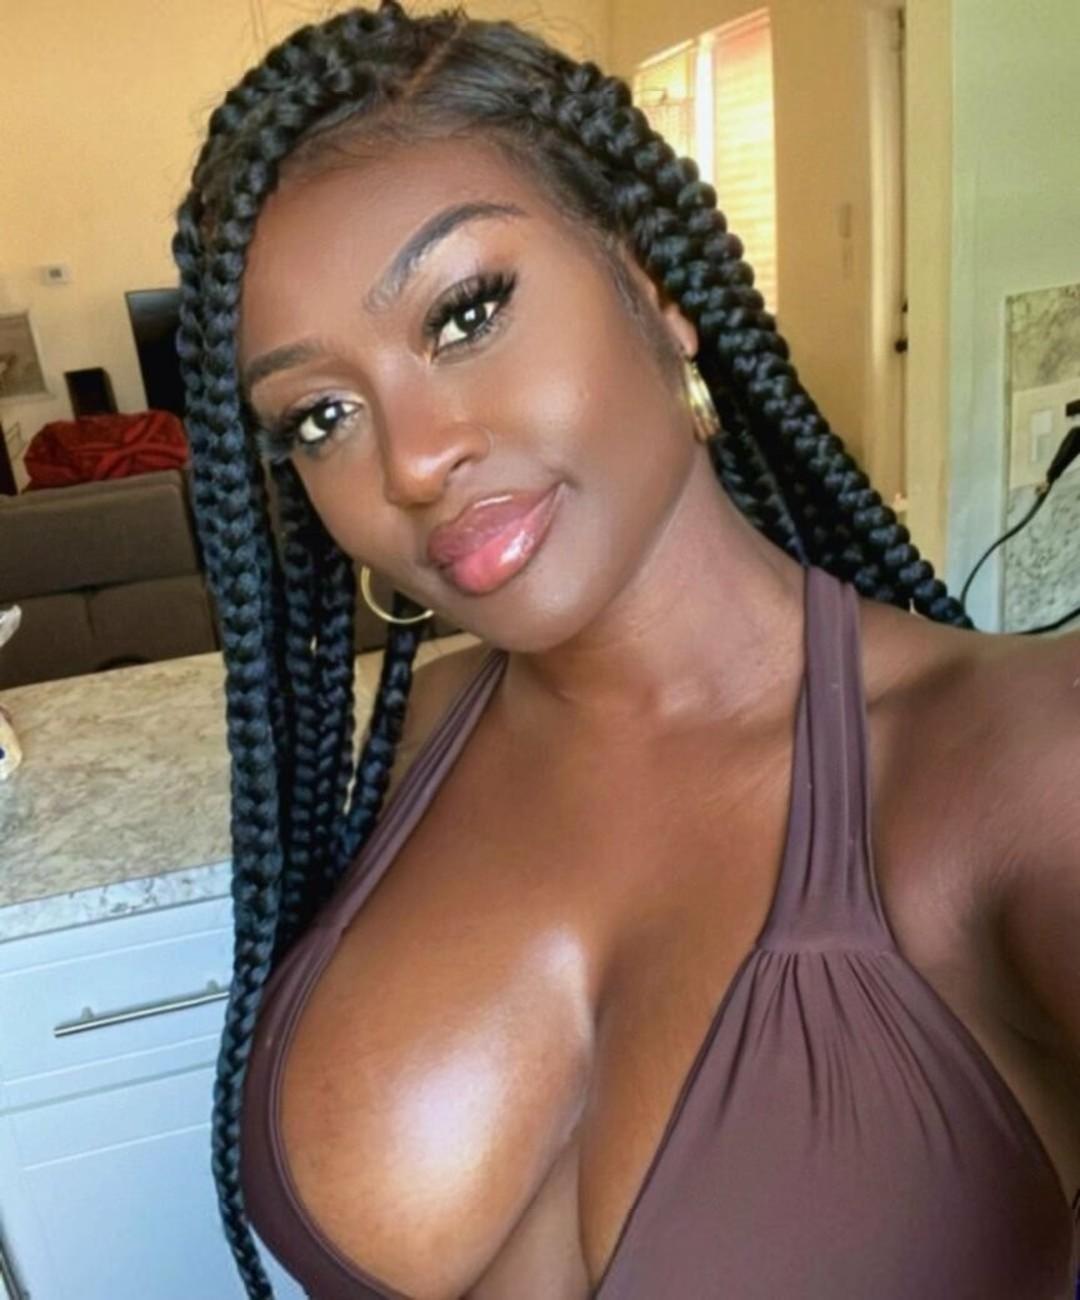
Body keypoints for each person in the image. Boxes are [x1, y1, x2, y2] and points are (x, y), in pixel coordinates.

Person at [173, 4, 1080, 1296]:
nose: (413, 459)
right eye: (321, 414)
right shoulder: (396, 758)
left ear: (652, 285)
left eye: (465, 313)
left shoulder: (1023, 765)